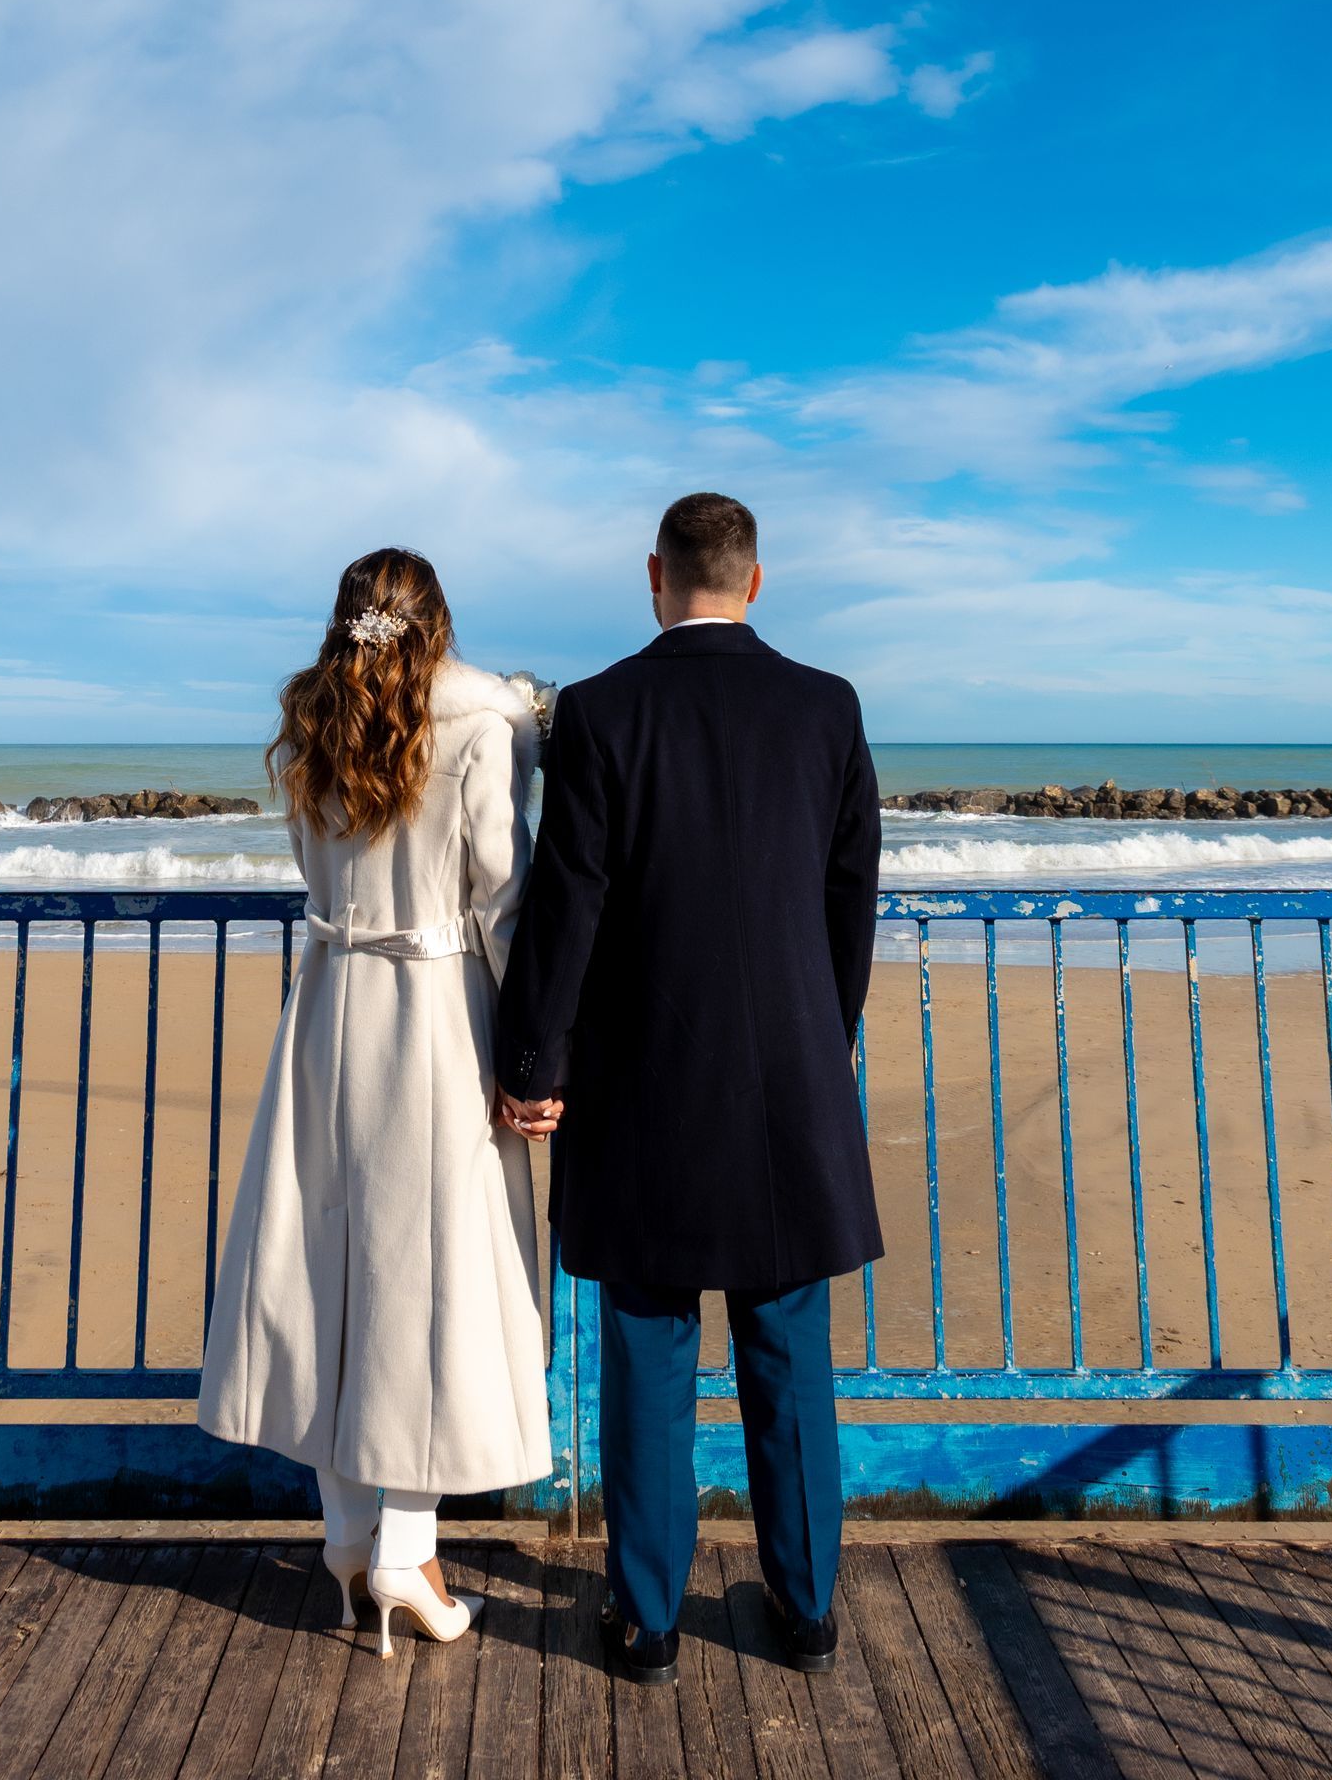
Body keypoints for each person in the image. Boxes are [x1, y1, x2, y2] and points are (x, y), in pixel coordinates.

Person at [494, 492, 882, 1684]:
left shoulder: (603, 712)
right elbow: (849, 894)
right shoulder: (827, 706)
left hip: (644, 1085)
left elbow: (571, 904)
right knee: (787, 1353)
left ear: (654, 575)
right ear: (756, 582)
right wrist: (827, 1033)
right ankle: (807, 1613)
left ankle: (648, 1624)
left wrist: (532, 1063)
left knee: (650, 1361)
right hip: (787, 1086)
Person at [199, 548, 550, 1654]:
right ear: (438, 626)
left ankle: (348, 1543)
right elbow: (504, 896)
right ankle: (406, 1549)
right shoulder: (479, 732)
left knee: (328, 1275)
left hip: (330, 1007)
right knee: (429, 1282)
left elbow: (313, 869)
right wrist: (538, 1046)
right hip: (438, 1015)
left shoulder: (314, 728)